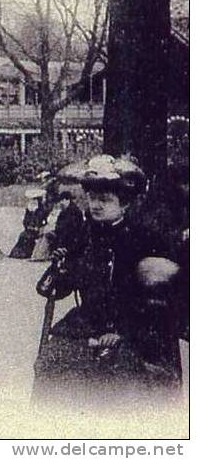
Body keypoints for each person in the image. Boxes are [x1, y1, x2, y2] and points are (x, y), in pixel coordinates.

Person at [33, 155, 184, 406]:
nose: (96, 205)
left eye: (105, 199)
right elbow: (58, 289)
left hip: (137, 325)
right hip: (89, 320)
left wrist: (121, 330)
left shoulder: (144, 238)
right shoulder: (83, 236)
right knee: (52, 359)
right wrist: (60, 267)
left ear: (124, 204)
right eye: (92, 198)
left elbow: (159, 296)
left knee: (120, 376)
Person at [10, 191, 46, 259]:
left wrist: (36, 227)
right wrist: (28, 226)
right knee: (22, 235)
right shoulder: (29, 211)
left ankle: (25, 254)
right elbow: (25, 221)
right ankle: (17, 254)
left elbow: (42, 222)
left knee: (26, 236)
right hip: (29, 230)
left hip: (36, 231)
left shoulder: (41, 211)